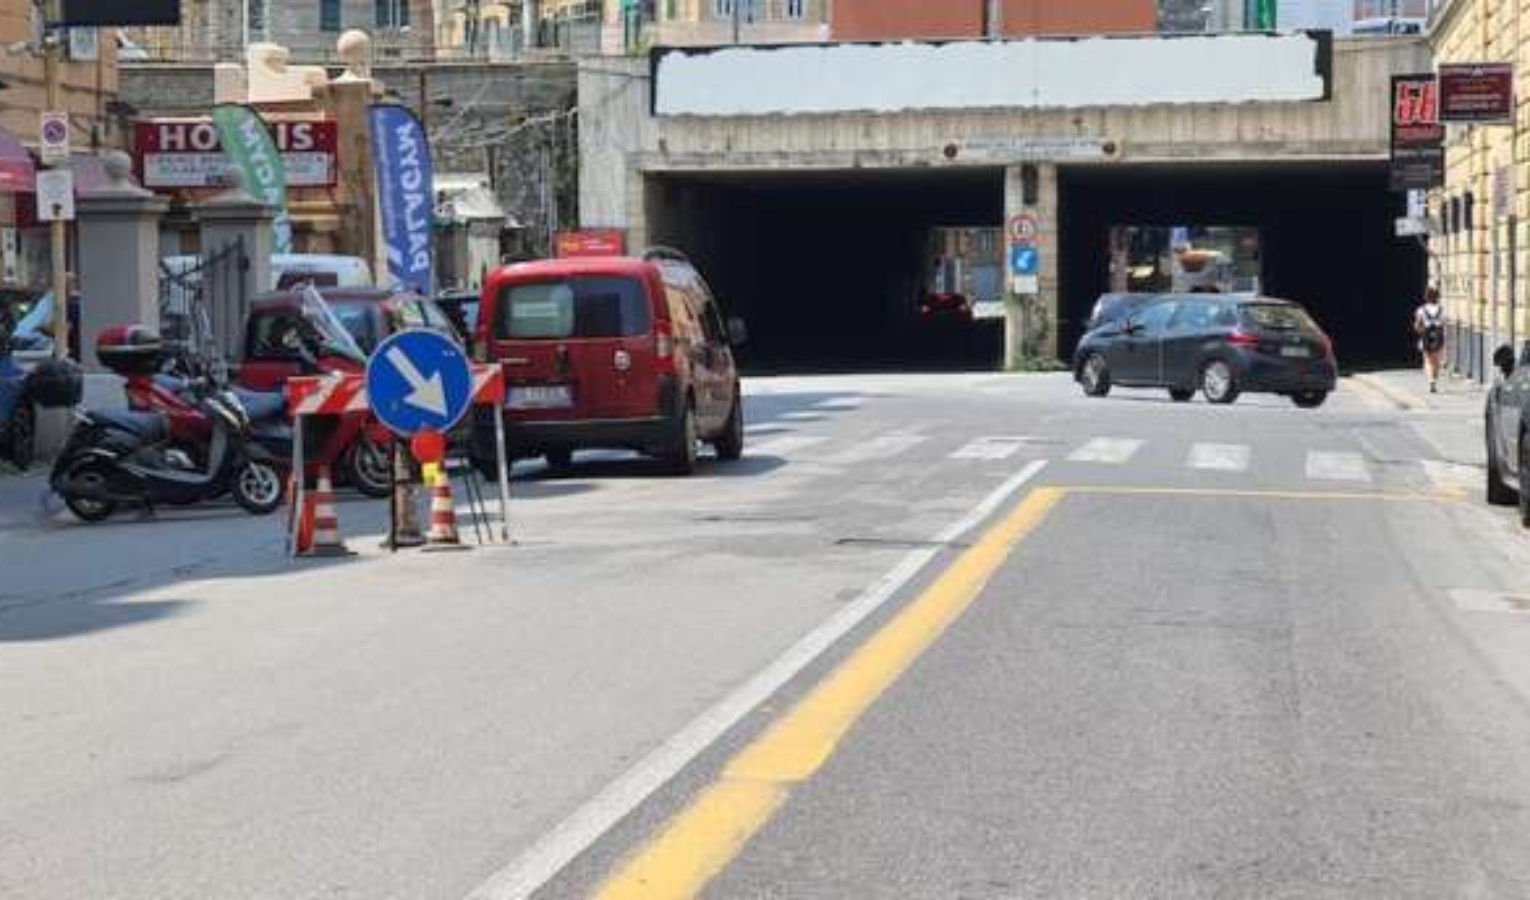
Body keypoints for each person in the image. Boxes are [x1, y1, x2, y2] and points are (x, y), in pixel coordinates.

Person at [1413, 287, 1446, 393]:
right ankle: (1434, 380)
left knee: (1428, 360)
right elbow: (1444, 324)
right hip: (1438, 336)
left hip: (1426, 335)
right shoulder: (1441, 309)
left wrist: (1420, 332)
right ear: (1437, 297)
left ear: (1426, 297)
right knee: (1436, 361)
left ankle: (1431, 381)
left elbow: (1417, 325)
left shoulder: (1421, 310)